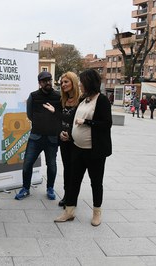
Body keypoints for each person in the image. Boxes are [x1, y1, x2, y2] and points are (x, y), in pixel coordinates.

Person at [54, 69, 112, 227]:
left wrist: (87, 122)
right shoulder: (83, 99)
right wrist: (68, 135)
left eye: (82, 81)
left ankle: (97, 213)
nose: (80, 84)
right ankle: (69, 212)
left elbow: (107, 124)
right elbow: (74, 120)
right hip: (77, 148)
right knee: (74, 181)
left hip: (95, 152)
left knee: (96, 182)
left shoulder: (102, 100)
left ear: (89, 83)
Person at [15, 71, 62, 201]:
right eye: (44, 80)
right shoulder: (33, 96)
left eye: (49, 80)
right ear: (40, 83)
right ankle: (25, 188)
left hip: (52, 138)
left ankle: (50, 188)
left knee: (51, 165)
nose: (47, 82)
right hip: (36, 137)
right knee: (27, 163)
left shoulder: (58, 96)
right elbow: (29, 114)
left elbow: (60, 115)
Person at [43, 72, 81, 207]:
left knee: (75, 170)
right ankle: (66, 195)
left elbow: (76, 121)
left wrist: (69, 133)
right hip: (63, 141)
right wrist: (60, 133)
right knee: (67, 169)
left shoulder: (81, 100)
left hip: (76, 141)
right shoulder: (62, 100)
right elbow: (58, 120)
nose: (63, 85)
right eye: (62, 82)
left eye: (66, 82)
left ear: (73, 83)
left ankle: (72, 198)